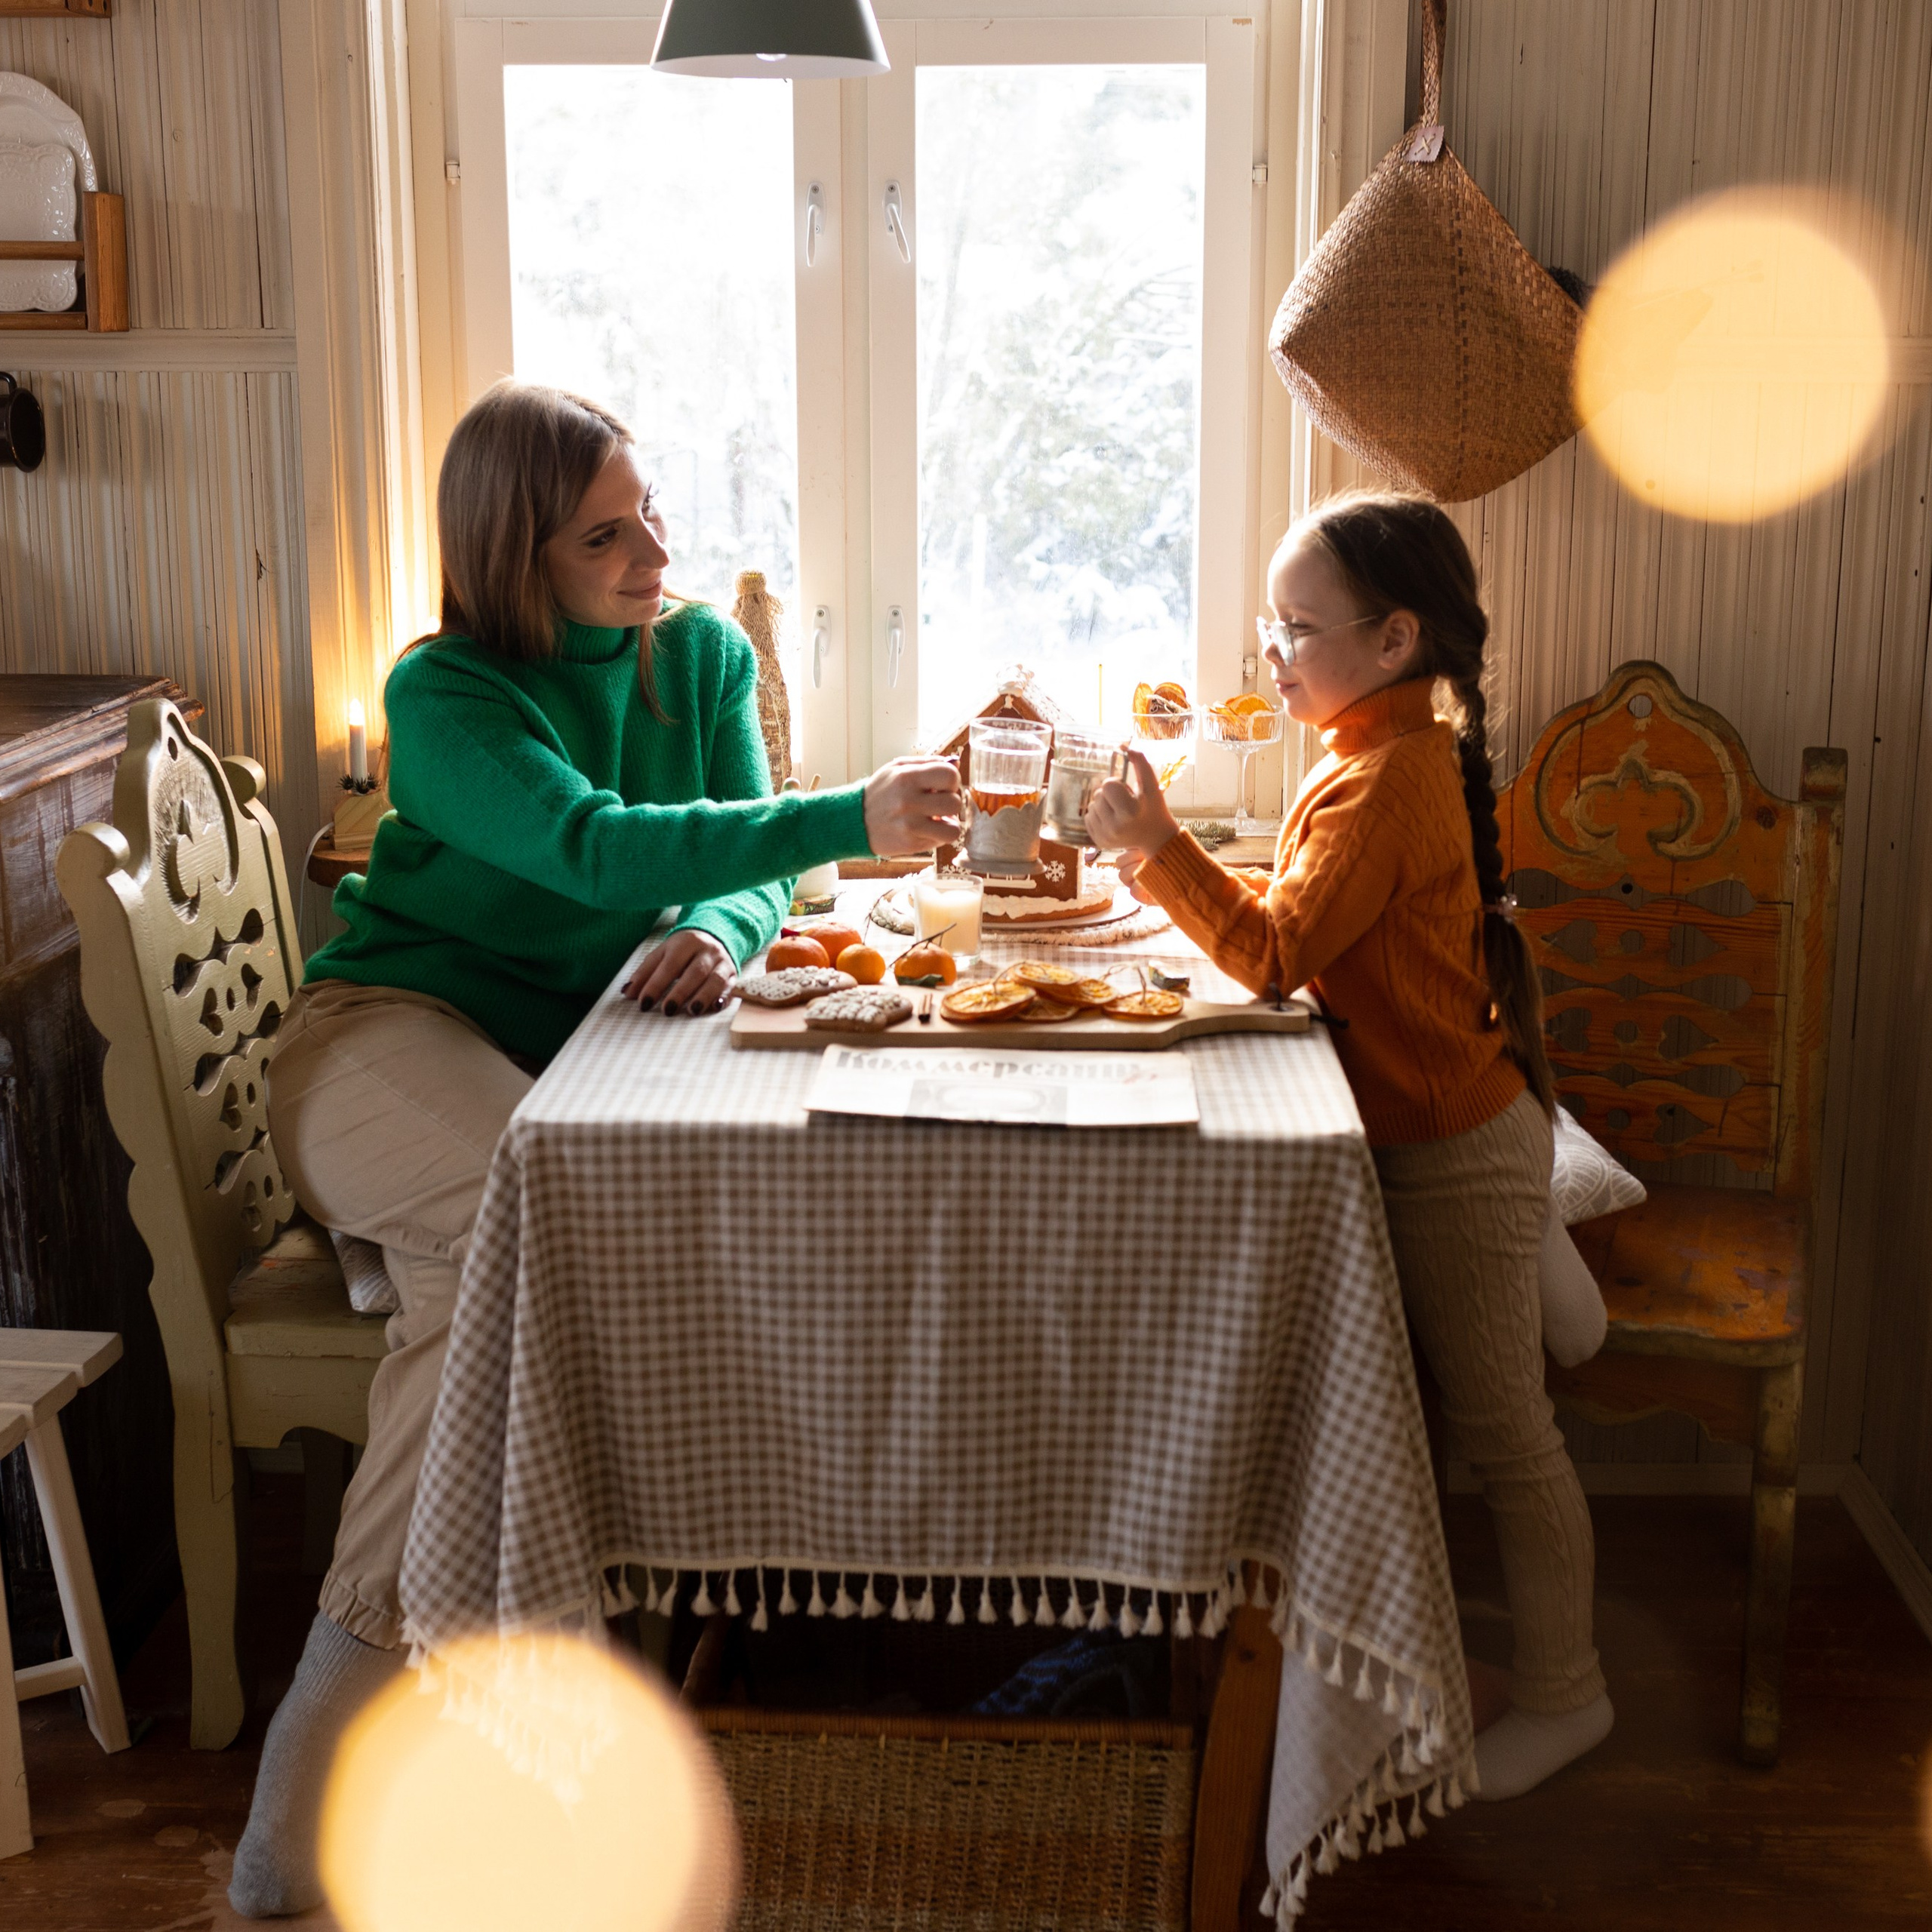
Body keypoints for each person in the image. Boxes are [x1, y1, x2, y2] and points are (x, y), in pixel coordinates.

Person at [230, 381, 960, 1917]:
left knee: (507, 1275)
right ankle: (348, 1766)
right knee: (531, 1222)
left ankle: (476, 1727)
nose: (653, 553)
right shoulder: (446, 695)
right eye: (606, 534)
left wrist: (714, 920)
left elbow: (755, 865)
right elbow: (588, 842)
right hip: (384, 1035)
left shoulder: (696, 654)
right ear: (516, 555)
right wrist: (839, 814)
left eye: (652, 514)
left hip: (557, 1066)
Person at [1085, 490, 1612, 1801]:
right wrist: (1184, 863)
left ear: (1394, 641)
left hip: (1451, 1147)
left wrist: (1157, 852)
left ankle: (1571, 1697)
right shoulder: (1376, 752)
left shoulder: (1381, 780)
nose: (1274, 651)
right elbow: (1314, 916)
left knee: (1506, 1435)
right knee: (1438, 1422)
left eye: (1297, 629)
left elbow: (1272, 956)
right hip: (1452, 1120)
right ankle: (1439, 1676)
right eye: (1273, 623)